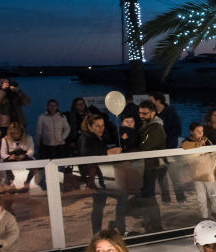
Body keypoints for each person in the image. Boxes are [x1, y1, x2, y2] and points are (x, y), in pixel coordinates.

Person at [78, 114, 129, 235]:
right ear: (90, 127)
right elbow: (85, 152)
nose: (101, 128)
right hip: (95, 177)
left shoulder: (98, 137)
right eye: (97, 126)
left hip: (100, 176)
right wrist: (107, 152)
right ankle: (119, 228)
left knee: (99, 204)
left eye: (102, 125)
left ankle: (98, 233)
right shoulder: (85, 137)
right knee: (121, 196)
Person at [149, 91, 187, 203]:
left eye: (151, 100)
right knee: (161, 175)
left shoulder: (171, 112)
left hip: (170, 148)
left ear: (158, 100)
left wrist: (168, 144)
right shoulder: (153, 113)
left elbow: (177, 129)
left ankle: (181, 198)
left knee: (174, 174)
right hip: (157, 149)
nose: (150, 102)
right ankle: (166, 199)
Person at [136, 100, 167, 230]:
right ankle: (150, 221)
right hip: (147, 165)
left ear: (153, 113)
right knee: (146, 194)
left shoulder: (155, 128)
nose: (141, 115)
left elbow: (144, 147)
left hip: (152, 166)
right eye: (140, 113)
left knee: (149, 195)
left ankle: (155, 225)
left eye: (144, 113)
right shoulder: (147, 126)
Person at [181, 122, 216, 218]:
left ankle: (215, 212)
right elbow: (184, 146)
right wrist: (199, 144)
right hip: (196, 173)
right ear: (191, 132)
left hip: (208, 172)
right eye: (198, 131)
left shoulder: (206, 141)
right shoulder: (187, 141)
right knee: (201, 196)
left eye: (202, 131)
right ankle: (204, 216)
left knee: (214, 194)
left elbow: (212, 153)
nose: (200, 133)